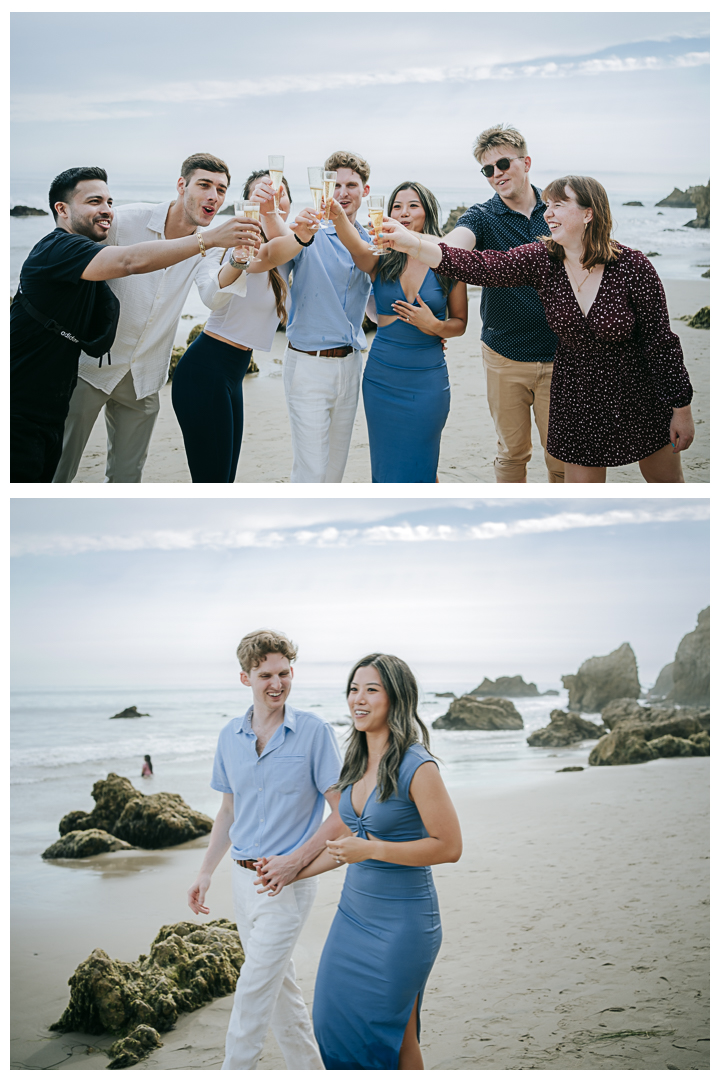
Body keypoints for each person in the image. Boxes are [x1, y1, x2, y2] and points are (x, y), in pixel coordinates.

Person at [378, 176, 695, 483]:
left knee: (666, 484)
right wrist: (413, 244)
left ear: (588, 213)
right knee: (580, 498)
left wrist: (681, 410)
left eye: (559, 204)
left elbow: (661, 344)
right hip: (578, 399)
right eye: (547, 205)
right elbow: (479, 265)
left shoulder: (634, 267)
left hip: (639, 396)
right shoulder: (543, 259)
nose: (548, 213)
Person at [11, 164, 258, 483]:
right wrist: (208, 239)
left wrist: (237, 260)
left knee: (127, 477)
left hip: (145, 373)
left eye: (221, 190)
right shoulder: (119, 221)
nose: (213, 196)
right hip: (89, 368)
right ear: (182, 185)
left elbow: (212, 295)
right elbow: (124, 261)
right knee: (57, 471)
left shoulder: (209, 244)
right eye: (205, 185)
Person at [286, 653, 462, 1070]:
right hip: (352, 918)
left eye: (371, 689)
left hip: (403, 925)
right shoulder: (355, 760)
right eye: (353, 689)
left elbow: (449, 846)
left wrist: (374, 849)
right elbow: (346, 844)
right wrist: (289, 873)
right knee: (332, 1025)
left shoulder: (417, 765)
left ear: (396, 698)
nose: (358, 699)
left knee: (392, 1036)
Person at [187, 629, 343, 1070]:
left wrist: (296, 861)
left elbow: (342, 812)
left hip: (286, 886)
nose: (277, 683)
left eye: (284, 673)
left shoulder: (314, 732)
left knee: (253, 992)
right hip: (241, 879)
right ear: (245, 678)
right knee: (280, 993)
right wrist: (205, 872)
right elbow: (227, 811)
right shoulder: (228, 737)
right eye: (265, 675)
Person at [172, 170, 319, 482]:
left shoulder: (289, 250)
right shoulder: (239, 245)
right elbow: (264, 257)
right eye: (261, 194)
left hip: (233, 373)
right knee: (212, 482)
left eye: (278, 194)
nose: (271, 200)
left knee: (224, 479)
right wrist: (298, 234)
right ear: (246, 205)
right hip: (205, 371)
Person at [442, 124, 565, 483]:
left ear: (526, 162)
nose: (496, 175)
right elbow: (454, 245)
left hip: (562, 354)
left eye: (504, 164)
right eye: (487, 169)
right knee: (512, 454)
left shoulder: (558, 210)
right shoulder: (481, 216)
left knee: (560, 459)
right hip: (504, 356)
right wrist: (424, 248)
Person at [329, 182, 467, 482]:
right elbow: (354, 246)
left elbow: (460, 323)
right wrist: (337, 212)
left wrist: (435, 326)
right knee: (386, 468)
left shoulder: (447, 260)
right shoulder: (380, 257)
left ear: (427, 211)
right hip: (382, 380)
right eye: (397, 206)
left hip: (427, 379)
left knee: (423, 466)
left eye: (413, 205)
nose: (404, 213)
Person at [267, 150, 374, 483]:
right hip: (308, 367)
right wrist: (270, 208)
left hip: (351, 364)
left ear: (365, 191)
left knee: (333, 472)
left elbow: (376, 306)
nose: (343, 192)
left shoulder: (371, 243)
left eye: (351, 185)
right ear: (326, 189)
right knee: (310, 471)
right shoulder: (307, 233)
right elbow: (275, 239)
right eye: (337, 185)